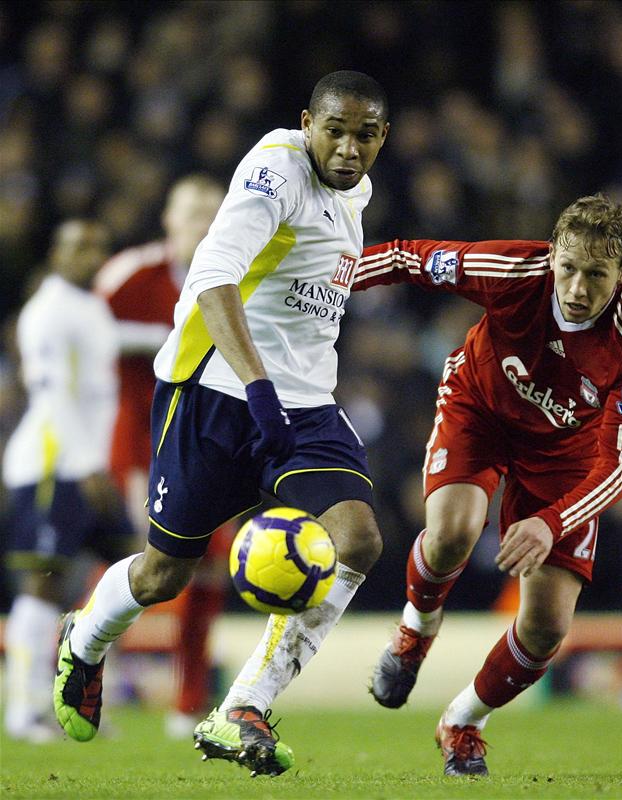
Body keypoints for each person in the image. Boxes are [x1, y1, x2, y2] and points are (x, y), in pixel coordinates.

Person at [53, 70, 390, 776]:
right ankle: (84, 638)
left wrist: (283, 391)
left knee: (357, 538)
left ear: (382, 137)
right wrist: (258, 386)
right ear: (308, 124)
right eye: (335, 130)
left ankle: (243, 707)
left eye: (365, 134)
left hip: (303, 402)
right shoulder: (276, 170)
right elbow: (212, 279)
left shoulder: (356, 193)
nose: (349, 148)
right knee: (163, 575)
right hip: (213, 390)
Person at [354, 194, 622, 776]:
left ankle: (463, 720)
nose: (576, 286)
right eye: (568, 267)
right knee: (452, 533)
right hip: (481, 407)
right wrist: (333, 280)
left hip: (566, 453)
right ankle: (415, 631)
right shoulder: (515, 269)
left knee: (547, 627)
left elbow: (621, 465)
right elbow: (407, 258)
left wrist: (552, 522)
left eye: (596, 275)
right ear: (553, 255)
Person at [94, 174, 231, 739]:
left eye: (210, 209)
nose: (201, 218)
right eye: (190, 208)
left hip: (207, 445)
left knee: (211, 567)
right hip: (139, 448)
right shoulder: (131, 275)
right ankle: (87, 665)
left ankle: (189, 701)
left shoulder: (237, 275)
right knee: (149, 562)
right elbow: (83, 336)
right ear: (168, 219)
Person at [2, 220, 135, 742]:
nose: (91, 254)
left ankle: (84, 697)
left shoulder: (94, 307)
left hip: (89, 466)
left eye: (99, 244)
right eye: (80, 245)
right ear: (57, 252)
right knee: (42, 582)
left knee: (128, 574)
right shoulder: (47, 311)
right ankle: (26, 710)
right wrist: (86, 466)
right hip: (52, 466)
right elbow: (51, 394)